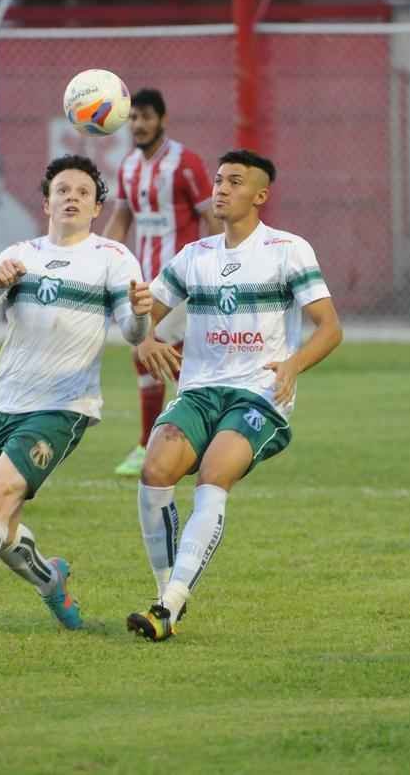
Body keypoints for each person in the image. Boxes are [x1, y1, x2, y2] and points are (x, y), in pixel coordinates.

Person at [0, 155, 152, 645]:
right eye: (62, 190)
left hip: (65, 405)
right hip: (5, 403)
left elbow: (129, 330)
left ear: (97, 207)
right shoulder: (22, 253)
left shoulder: (112, 257)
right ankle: (50, 579)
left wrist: (142, 315)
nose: (72, 198)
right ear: (46, 202)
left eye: (83, 192)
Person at [125, 149, 343, 642]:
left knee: (212, 474)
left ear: (260, 196)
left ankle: (171, 601)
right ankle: (166, 598)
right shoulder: (193, 257)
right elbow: (143, 321)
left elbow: (330, 329)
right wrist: (144, 337)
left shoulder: (288, 250)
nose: (219, 190)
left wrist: (292, 365)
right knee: (154, 470)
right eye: (218, 181)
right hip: (200, 391)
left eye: (234, 183)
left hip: (259, 396)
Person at [102, 88, 222, 477]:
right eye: (133, 118)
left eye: (146, 117)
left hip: (184, 280)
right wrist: (101, 259)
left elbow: (212, 218)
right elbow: (121, 219)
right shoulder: (128, 167)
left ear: (163, 119)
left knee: (164, 355)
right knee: (152, 356)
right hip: (146, 282)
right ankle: (168, 441)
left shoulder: (186, 163)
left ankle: (170, 441)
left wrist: (219, 265)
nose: (138, 125)